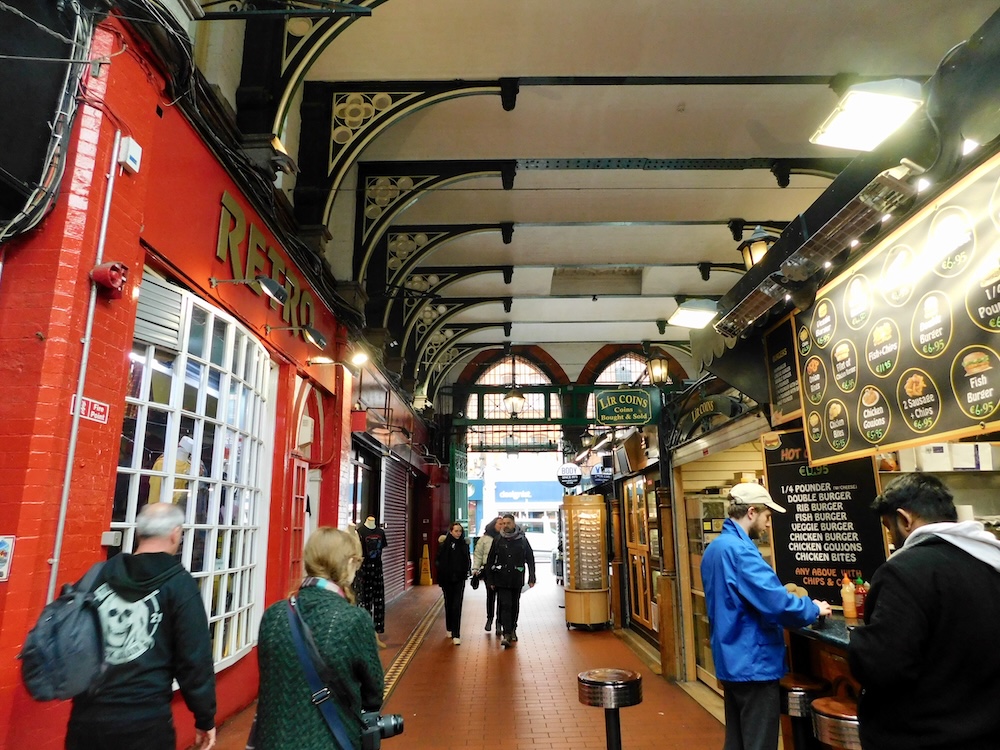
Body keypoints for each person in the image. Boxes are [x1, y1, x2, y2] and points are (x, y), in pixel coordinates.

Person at [847, 473, 1000, 750]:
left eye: (888, 527)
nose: (891, 537)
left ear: (905, 520)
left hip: (922, 736)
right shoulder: (991, 561)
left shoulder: (903, 571)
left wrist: (860, 641)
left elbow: (883, 666)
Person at [66, 502, 216, 750]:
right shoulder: (179, 584)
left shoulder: (98, 575)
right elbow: (194, 660)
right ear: (175, 533)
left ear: (140, 533)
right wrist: (204, 717)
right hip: (145, 720)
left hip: (87, 717)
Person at [700, 483, 831, 750]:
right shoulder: (741, 552)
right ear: (751, 512)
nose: (768, 524)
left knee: (737, 741)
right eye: (767, 516)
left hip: (729, 659)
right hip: (753, 663)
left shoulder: (715, 548)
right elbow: (776, 603)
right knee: (759, 743)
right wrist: (813, 609)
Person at [255, 527, 384, 750]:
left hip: (272, 739)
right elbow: (374, 692)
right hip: (329, 739)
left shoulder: (273, 615)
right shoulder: (353, 619)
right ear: (349, 563)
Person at [485, 513, 536, 648]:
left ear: (514, 524)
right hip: (501, 578)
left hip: (516, 577)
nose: (506, 525)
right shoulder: (498, 540)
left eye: (508, 523)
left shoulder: (522, 540)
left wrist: (532, 577)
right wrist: (490, 580)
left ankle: (513, 628)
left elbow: (530, 558)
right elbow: (490, 560)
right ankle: (506, 634)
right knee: (505, 605)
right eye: (504, 523)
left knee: (514, 605)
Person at [435, 522, 471, 645]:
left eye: (460, 531)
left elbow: (467, 560)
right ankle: (449, 628)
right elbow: (438, 560)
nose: (458, 533)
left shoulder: (464, 545)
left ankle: (456, 634)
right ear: (451, 531)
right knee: (449, 604)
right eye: (456, 531)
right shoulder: (444, 544)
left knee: (457, 605)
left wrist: (467, 571)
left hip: (459, 579)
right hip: (446, 579)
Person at [355, 516, 388, 647]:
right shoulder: (360, 532)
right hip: (364, 569)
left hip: (378, 568)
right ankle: (365, 633)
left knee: (379, 600)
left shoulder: (381, 532)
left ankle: (377, 633)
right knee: (365, 600)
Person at [472, 516, 503, 634]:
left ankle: (499, 622)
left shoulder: (505, 538)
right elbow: (478, 554)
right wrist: (475, 568)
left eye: (503, 524)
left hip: (501, 571)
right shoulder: (485, 539)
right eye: (499, 524)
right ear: (493, 525)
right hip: (488, 570)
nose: (501, 526)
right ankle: (489, 618)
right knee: (490, 596)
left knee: (501, 597)